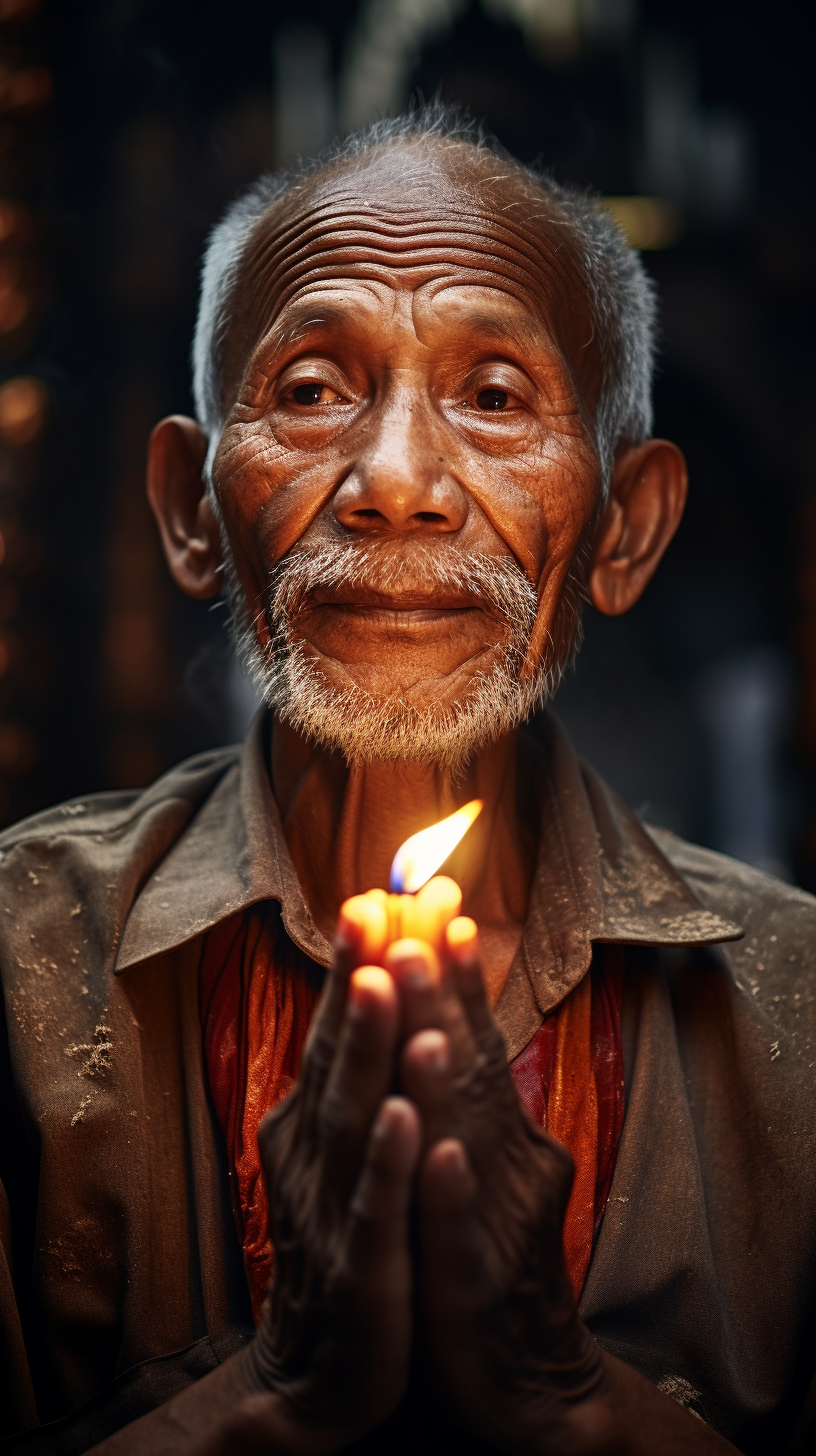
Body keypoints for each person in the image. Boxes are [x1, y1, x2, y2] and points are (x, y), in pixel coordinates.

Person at [0, 108, 813, 1456]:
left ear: (625, 527)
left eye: (497, 398)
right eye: (312, 389)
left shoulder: (796, 1024)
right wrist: (278, 1395)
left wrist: (566, 1400)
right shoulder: (17, 979)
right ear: (194, 511)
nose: (394, 483)